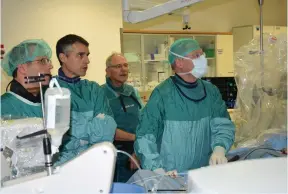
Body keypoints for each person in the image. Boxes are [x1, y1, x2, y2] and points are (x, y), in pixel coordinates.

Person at [134, 38, 235, 175]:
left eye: (202, 54)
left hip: (204, 174)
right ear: (179, 62)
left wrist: (220, 148)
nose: (203, 59)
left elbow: (223, 125)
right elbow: (145, 137)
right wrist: (156, 170)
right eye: (196, 55)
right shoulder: (162, 95)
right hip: (172, 176)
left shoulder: (211, 92)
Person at [54, 34, 117, 165]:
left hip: (94, 163)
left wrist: (75, 131)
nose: (87, 60)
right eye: (80, 55)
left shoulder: (94, 90)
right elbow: (56, 140)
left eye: (87, 55)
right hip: (60, 168)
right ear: (63, 57)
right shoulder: (50, 90)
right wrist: (90, 129)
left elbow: (106, 132)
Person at [102, 52, 143, 182]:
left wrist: (139, 147)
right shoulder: (100, 94)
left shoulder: (131, 91)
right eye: (118, 66)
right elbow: (106, 130)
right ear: (108, 71)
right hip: (115, 154)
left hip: (137, 151)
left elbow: (142, 118)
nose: (123, 69)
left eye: (125, 65)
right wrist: (136, 139)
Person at [1, 39, 53, 117]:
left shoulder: (51, 103)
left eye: (48, 61)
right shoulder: (3, 107)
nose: (51, 66)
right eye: (43, 61)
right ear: (22, 68)